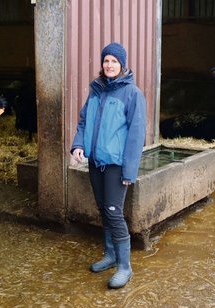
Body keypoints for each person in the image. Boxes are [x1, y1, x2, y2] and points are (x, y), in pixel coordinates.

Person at [70, 42, 147, 289]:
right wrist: (78, 144)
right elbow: (83, 121)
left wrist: (129, 171)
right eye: (106, 61)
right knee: (103, 209)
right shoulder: (96, 91)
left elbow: (136, 136)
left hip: (115, 165)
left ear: (122, 65)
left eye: (114, 61)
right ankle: (110, 254)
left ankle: (125, 266)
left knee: (114, 213)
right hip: (96, 163)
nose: (109, 65)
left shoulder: (132, 94)